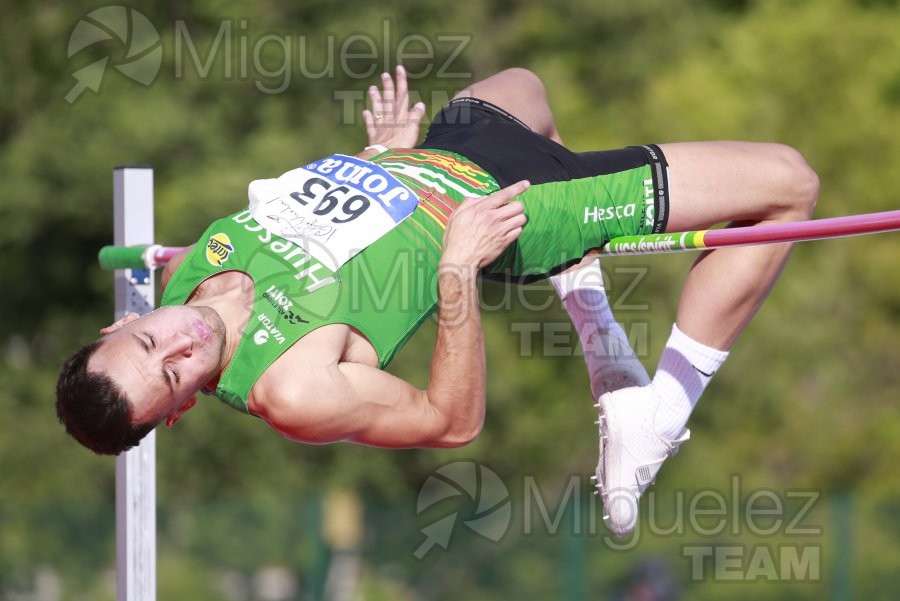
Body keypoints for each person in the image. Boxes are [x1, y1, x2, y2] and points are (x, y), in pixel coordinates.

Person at [56, 67, 818, 537]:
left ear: (125, 319)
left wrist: (377, 157)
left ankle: (594, 325)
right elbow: (452, 422)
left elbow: (325, 229)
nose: (181, 343)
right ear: (182, 406)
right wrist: (456, 274)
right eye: (172, 375)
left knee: (521, 84)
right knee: (789, 185)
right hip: (520, 207)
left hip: (443, 155)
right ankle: (657, 414)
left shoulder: (185, 272)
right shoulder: (290, 386)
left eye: (151, 341)